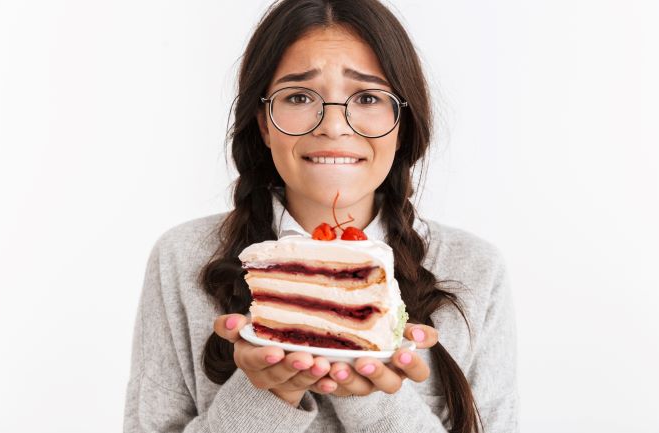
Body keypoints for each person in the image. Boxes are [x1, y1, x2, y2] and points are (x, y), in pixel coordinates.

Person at [123, 1, 518, 432]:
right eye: (299, 96)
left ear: (402, 123)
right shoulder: (183, 259)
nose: (333, 126)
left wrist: (371, 392)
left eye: (367, 97)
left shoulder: (474, 269)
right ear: (264, 123)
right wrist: (268, 391)